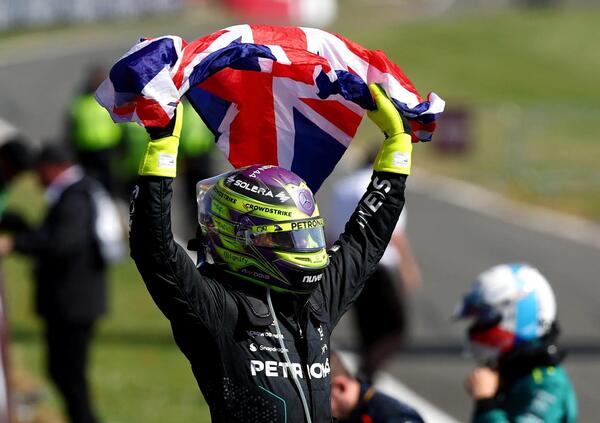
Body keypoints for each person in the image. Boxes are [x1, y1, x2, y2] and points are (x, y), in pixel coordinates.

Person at [128, 83, 413, 422]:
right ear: (248, 239)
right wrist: (161, 150)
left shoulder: (316, 300)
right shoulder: (218, 308)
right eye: (293, 236)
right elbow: (153, 250)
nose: (308, 246)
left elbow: (365, 240)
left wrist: (397, 146)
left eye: (309, 232)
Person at [0, 144, 107, 423]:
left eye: (40, 172)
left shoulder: (76, 196)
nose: (37, 180)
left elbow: (61, 242)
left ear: (54, 167)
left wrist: (15, 243)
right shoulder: (77, 193)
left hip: (74, 303)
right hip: (68, 301)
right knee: (62, 373)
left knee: (70, 377)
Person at [325, 154, 422, 380]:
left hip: (348, 265)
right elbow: (394, 232)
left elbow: (332, 233)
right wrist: (408, 267)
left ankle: (363, 376)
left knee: (366, 329)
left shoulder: (343, 187)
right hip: (380, 266)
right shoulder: (384, 185)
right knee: (395, 329)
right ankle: (364, 377)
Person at [453, 263, 578, 423]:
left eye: (484, 320)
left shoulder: (550, 386)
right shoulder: (514, 370)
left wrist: (485, 403)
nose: (477, 328)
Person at [66, 66, 122, 195]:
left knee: (110, 184)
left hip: (108, 149)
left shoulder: (113, 98)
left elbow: (123, 124)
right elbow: (71, 125)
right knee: (88, 184)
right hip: (85, 151)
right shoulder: (79, 102)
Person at [329, 351, 424, 422]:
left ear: (340, 387)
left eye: (319, 399)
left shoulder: (393, 416)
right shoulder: (348, 413)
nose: (315, 410)